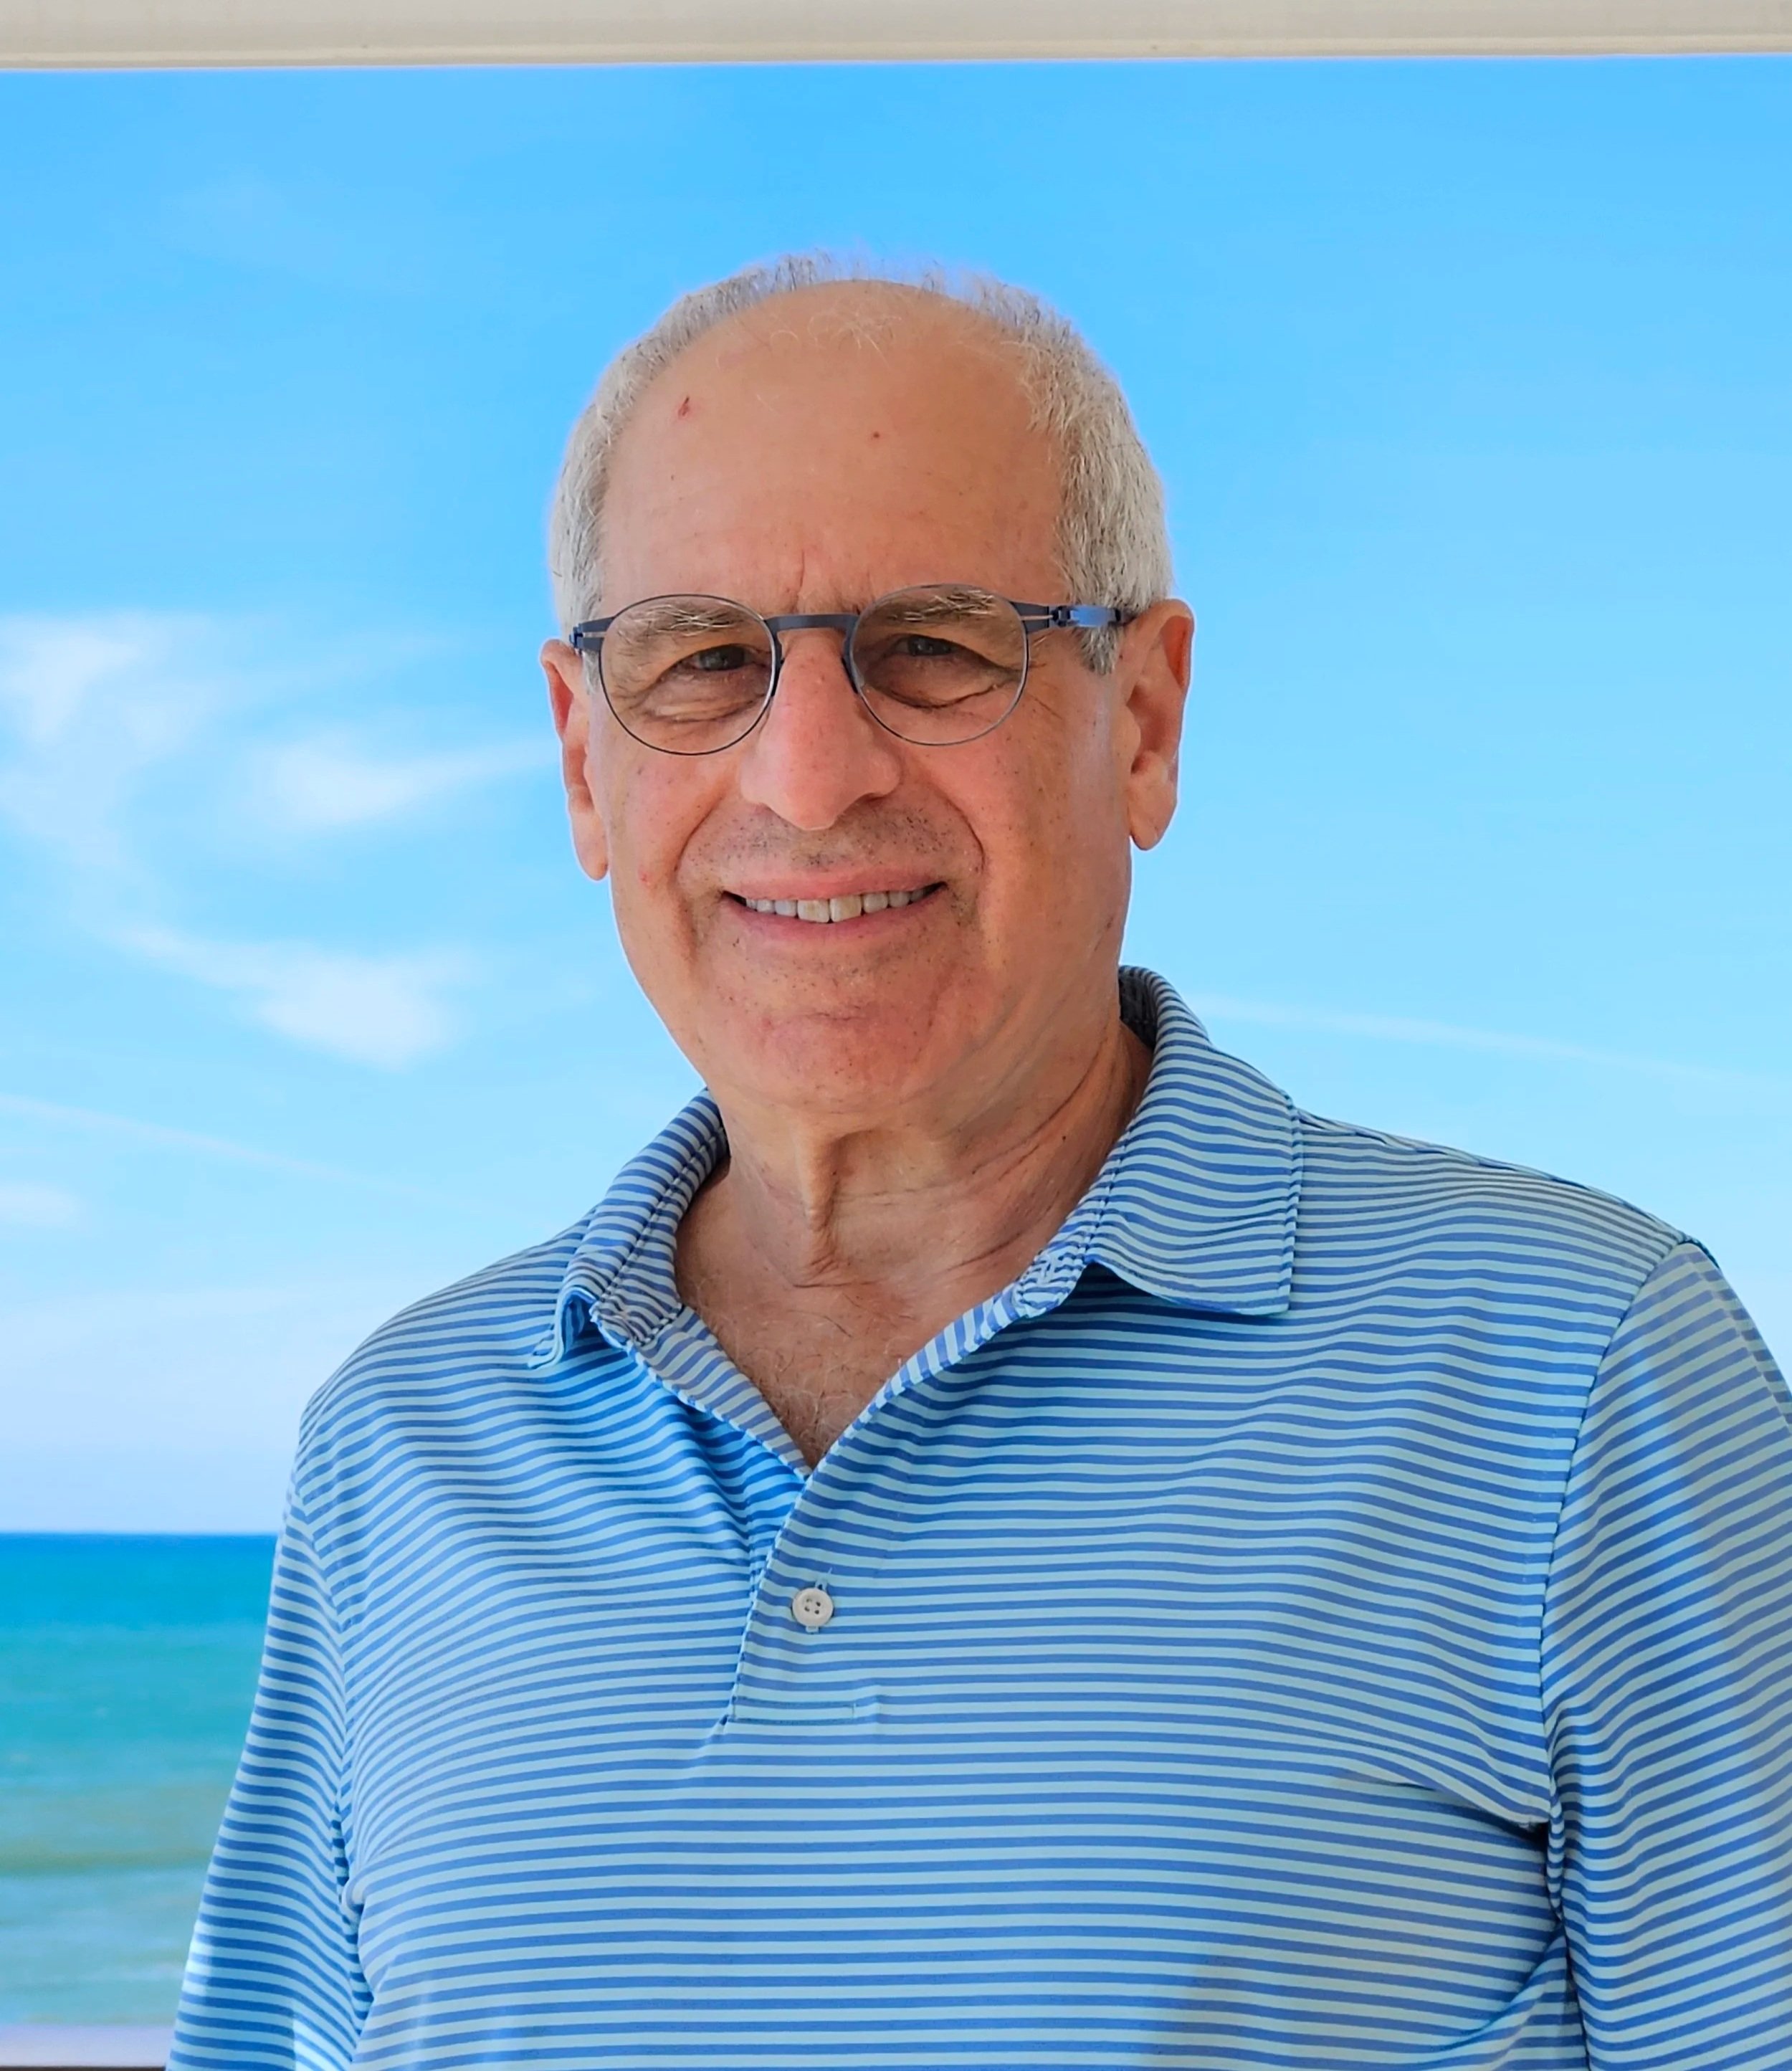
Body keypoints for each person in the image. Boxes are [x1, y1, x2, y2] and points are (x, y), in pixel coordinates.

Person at [168, 255, 1792, 2071]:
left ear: (1143, 721)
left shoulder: (1575, 1371)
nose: (806, 778)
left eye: (934, 646)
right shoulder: (402, 1444)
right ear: (580, 759)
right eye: (701, 661)